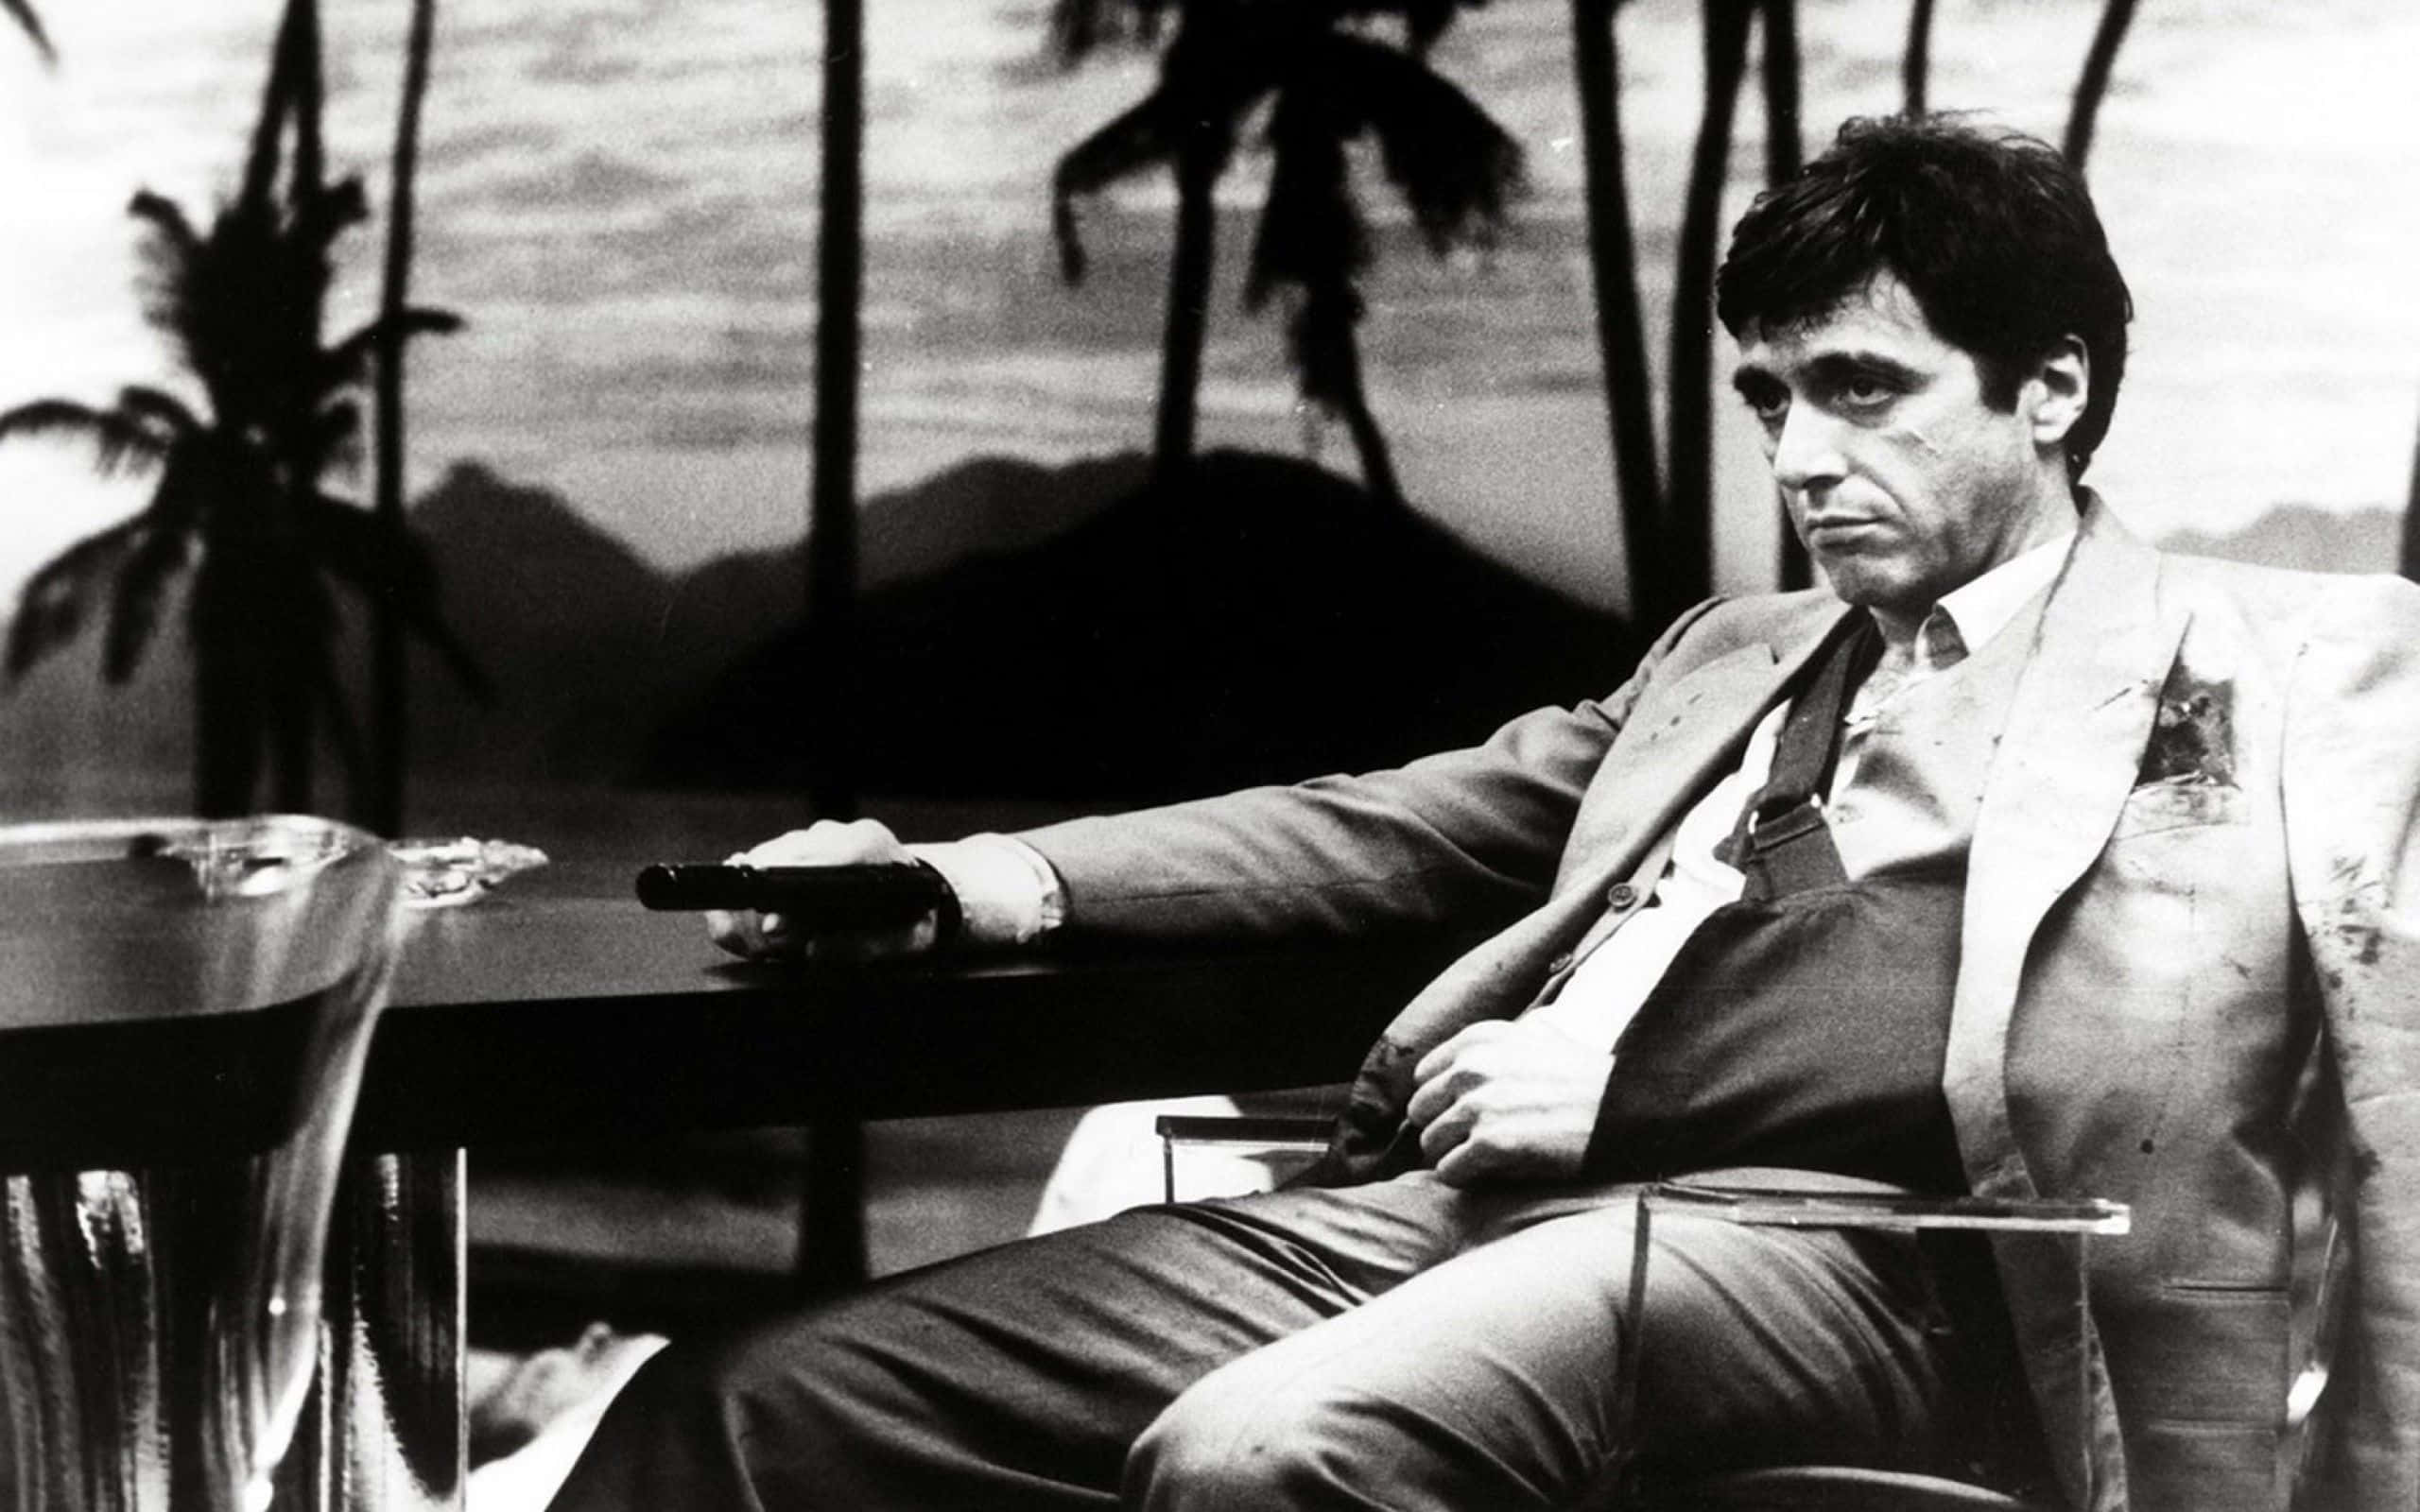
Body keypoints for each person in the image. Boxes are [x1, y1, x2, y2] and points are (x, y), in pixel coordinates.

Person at [549, 115, 2420, 1512]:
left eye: (1861, 390)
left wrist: (1638, 1087)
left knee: (1271, 1452)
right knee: (753, 1406)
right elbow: (1390, 825)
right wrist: (974, 879)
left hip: (1873, 1261)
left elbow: (2267, 1103)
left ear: (2052, 390)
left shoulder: (2286, 668)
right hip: (1474, 1203)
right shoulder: (1736, 655)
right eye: (1769, 398)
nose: (1798, 458)